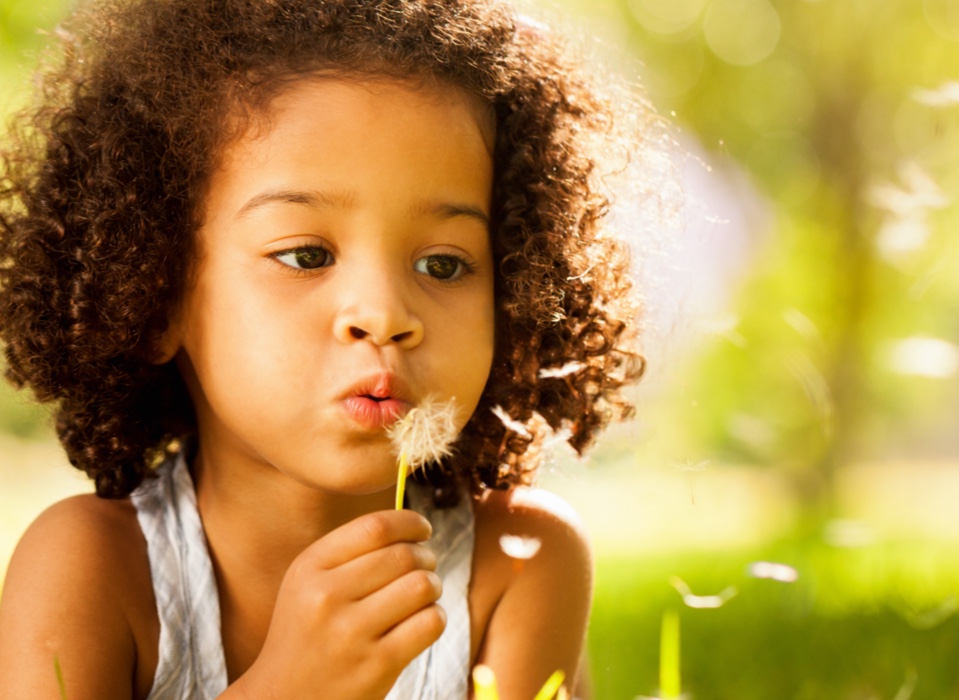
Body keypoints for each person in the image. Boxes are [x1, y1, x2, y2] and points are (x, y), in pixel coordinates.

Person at [0, 0, 648, 697]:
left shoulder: (518, 564)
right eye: (306, 254)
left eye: (443, 265)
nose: (384, 314)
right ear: (154, 295)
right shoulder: (89, 570)